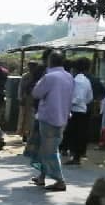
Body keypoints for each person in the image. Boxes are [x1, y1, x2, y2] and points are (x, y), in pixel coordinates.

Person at [25, 51, 74, 192]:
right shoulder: (69, 76)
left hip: (48, 118)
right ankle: (42, 176)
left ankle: (60, 180)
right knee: (48, 147)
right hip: (63, 117)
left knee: (49, 150)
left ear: (50, 62)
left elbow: (36, 93)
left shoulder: (49, 77)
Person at [62, 58, 94, 165]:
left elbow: (78, 98)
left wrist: (69, 102)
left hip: (76, 110)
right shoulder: (86, 80)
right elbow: (90, 97)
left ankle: (74, 156)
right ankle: (76, 156)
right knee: (80, 134)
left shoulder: (77, 81)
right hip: (83, 110)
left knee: (73, 133)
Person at [17, 61, 40, 142]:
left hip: (34, 99)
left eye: (33, 66)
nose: (31, 68)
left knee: (32, 118)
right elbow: (21, 88)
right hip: (26, 99)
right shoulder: (25, 76)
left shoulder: (38, 76)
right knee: (24, 117)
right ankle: (24, 134)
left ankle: (30, 134)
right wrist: (20, 98)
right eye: (30, 66)